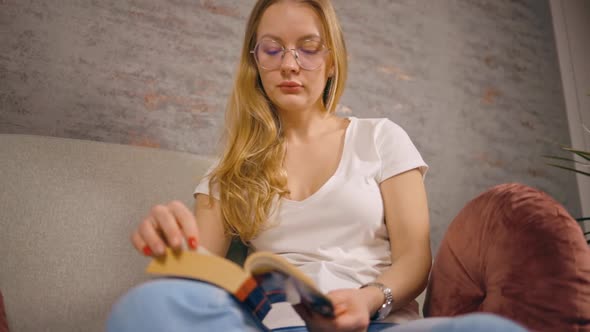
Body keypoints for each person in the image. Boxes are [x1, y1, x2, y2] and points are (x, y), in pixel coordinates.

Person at [107, 1, 527, 331]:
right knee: (148, 305)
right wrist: (171, 245)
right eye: (272, 49)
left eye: (308, 48)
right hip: (269, 323)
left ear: (330, 62)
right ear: (256, 65)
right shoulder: (231, 167)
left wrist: (367, 301)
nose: (290, 64)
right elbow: (200, 273)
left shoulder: (380, 138)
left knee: (491, 328)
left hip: (375, 322)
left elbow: (415, 260)